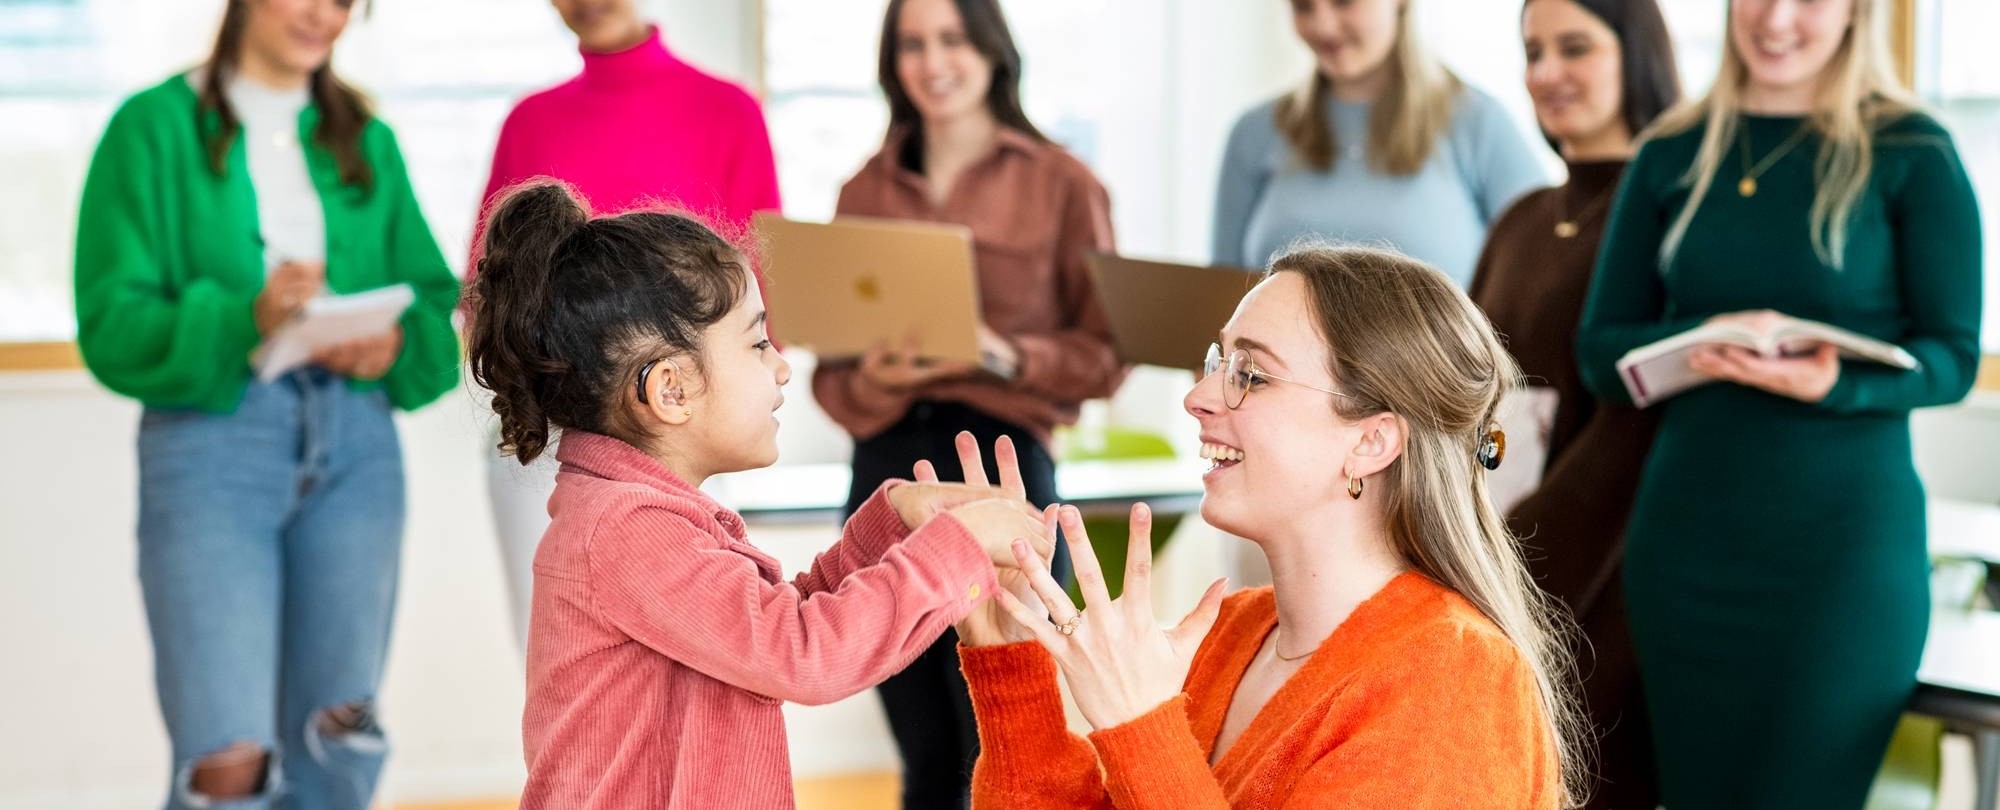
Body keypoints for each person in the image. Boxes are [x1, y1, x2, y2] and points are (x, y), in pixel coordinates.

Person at [466, 180, 1051, 809]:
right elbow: (804, 653)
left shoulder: (638, 515)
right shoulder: (626, 532)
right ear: (673, 391)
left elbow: (769, 626)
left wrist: (894, 524)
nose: (781, 367)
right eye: (756, 343)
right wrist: (953, 551)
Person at [961, 245, 1581, 808]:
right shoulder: (1232, 631)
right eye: (1217, 362)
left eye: (1250, 375)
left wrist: (1139, 724)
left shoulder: (1455, 680)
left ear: (1371, 441)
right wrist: (1008, 666)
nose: (1198, 395)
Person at [1576, 0, 1984, 804]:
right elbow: (1599, 353)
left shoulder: (1911, 150)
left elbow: (1954, 359)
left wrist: (1840, 382)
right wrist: (1701, 343)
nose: (1778, 18)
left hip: (1841, 561)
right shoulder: (1672, 153)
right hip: (1687, 551)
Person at [72, 0, 461, 805]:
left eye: (344, 1)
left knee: (337, 724)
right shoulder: (149, 128)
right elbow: (110, 320)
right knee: (226, 752)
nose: (323, 15)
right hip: (211, 446)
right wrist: (246, 315)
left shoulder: (369, 138)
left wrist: (391, 344)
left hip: (357, 444)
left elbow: (434, 299)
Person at [808, 0, 1124, 804]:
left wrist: (1003, 352)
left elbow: (1106, 357)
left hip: (1001, 467)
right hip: (887, 476)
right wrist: (878, 377)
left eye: (951, 38)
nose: (933, 61)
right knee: (921, 741)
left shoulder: (1064, 183)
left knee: (1003, 725)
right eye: (911, 44)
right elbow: (829, 383)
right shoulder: (862, 190)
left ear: (991, 50)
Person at [471, 0, 782, 649]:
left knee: (699, 647)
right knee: (561, 652)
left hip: (682, 425)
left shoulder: (727, 111)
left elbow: (763, 280)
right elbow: (487, 282)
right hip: (553, 431)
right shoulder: (530, 121)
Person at [1466, 0, 1681, 805]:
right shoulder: (1522, 218)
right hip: (1497, 557)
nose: (1547, 73)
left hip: (1603, 583)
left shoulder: (1669, 219)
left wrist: (1515, 555)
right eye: (1533, 52)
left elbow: (1636, 426)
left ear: (1637, 56)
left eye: (1575, 48)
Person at [1212, 0, 1549, 287]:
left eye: (1344, 1)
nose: (1323, 26)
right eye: (1302, 6)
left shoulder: (1479, 123)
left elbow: (1538, 284)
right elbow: (1217, 304)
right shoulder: (1254, 133)